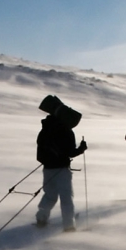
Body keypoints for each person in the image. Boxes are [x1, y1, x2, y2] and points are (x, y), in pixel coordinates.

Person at [35, 99, 87, 231]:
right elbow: (70, 152)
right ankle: (69, 225)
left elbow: (41, 150)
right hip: (62, 170)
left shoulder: (46, 129)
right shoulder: (66, 131)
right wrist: (81, 149)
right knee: (66, 198)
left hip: (48, 168)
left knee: (50, 195)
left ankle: (41, 217)